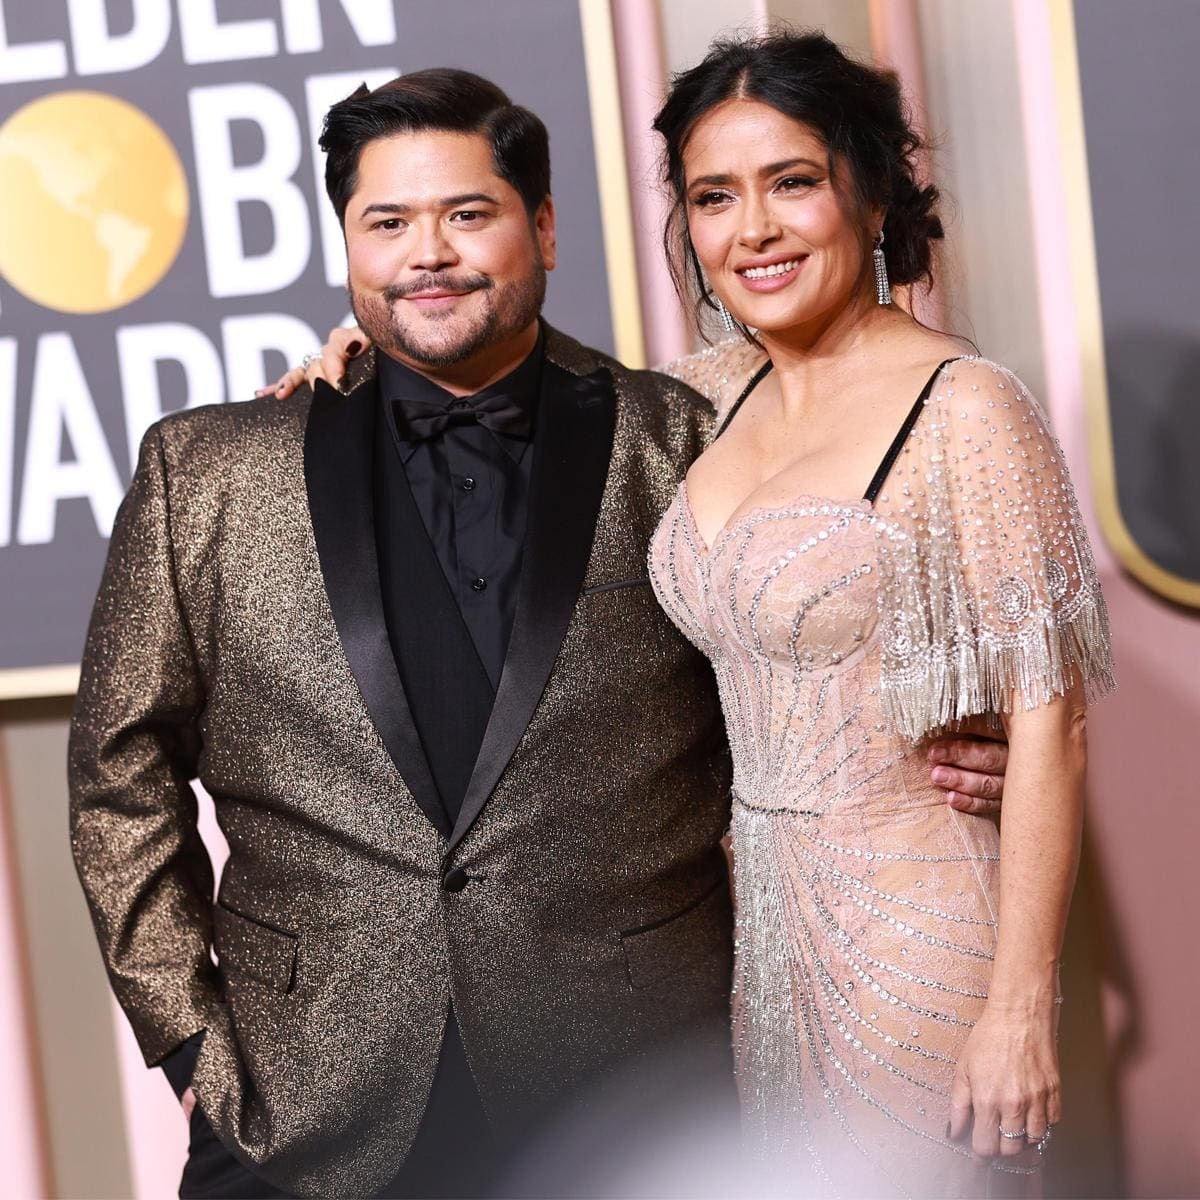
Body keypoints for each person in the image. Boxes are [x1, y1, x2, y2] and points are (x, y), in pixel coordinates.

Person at [71, 69, 1008, 1199]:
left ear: (544, 227)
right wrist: (185, 1041)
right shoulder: (207, 471)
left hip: (634, 1094)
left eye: (468, 214)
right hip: (296, 1099)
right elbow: (118, 775)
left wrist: (935, 750)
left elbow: (805, 639)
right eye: (388, 223)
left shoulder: (694, 440)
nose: (429, 252)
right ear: (348, 246)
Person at [645, 31, 1112, 1197]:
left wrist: (1020, 1009)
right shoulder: (700, 398)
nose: (752, 229)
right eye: (715, 197)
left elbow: (1048, 727)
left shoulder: (965, 409)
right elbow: (519, 401)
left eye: (791, 183)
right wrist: (363, 365)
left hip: (919, 935)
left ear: (868, 195)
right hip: (757, 945)